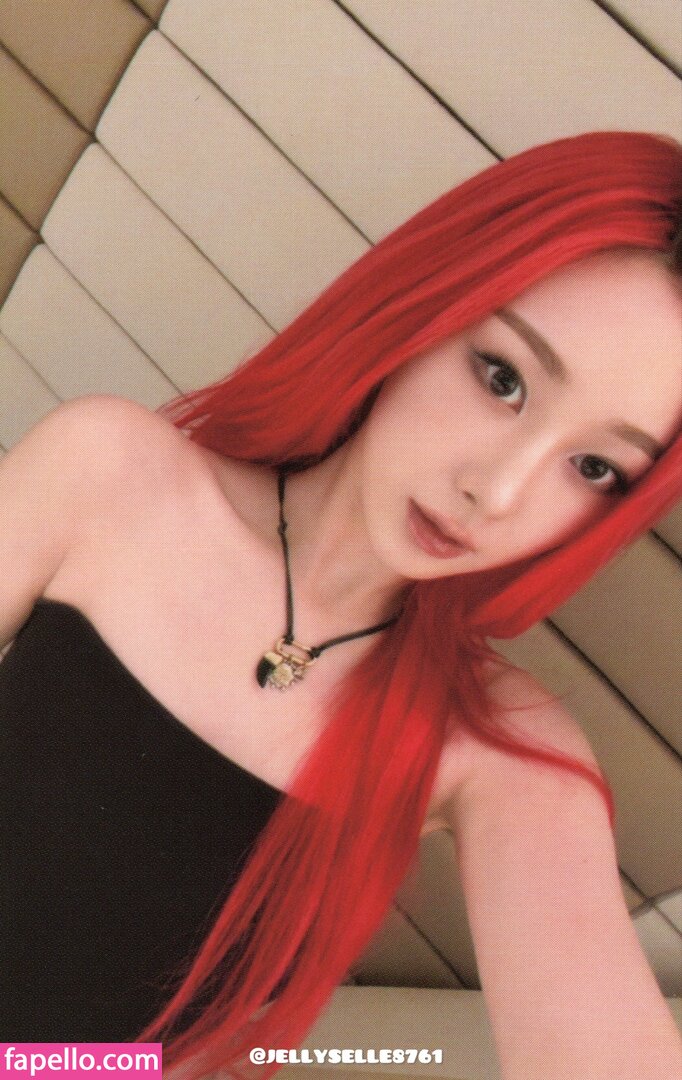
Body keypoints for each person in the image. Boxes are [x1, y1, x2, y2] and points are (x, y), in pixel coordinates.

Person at [0, 131, 680, 1080]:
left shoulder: (492, 749)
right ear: (422, 308)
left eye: (596, 466)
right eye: (503, 379)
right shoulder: (109, 474)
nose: (497, 491)